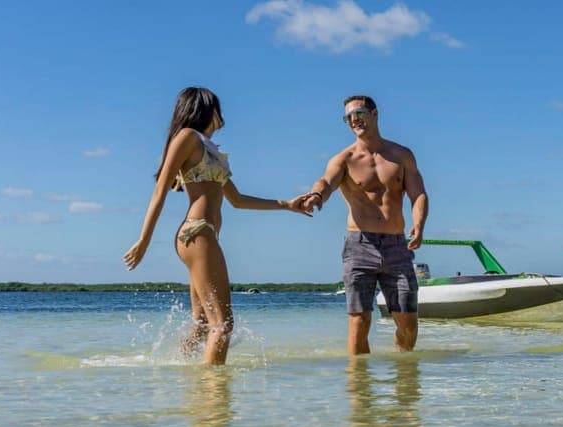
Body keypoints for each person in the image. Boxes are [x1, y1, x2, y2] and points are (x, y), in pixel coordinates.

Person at [123, 87, 309, 365]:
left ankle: (183, 373)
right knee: (223, 324)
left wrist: (287, 204)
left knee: (201, 323)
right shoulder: (187, 137)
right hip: (197, 233)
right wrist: (144, 240)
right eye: (218, 110)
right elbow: (160, 190)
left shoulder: (209, 149)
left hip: (202, 235)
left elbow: (237, 199)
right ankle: (215, 399)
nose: (222, 118)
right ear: (207, 110)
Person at [294, 95, 429, 355]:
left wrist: (419, 224)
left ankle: (404, 378)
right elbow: (326, 181)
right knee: (359, 320)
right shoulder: (344, 159)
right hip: (359, 246)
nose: (353, 120)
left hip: (396, 245)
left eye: (358, 113)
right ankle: (360, 390)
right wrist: (316, 195)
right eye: (348, 117)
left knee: (409, 324)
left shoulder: (401, 155)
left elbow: (419, 194)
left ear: (375, 113)